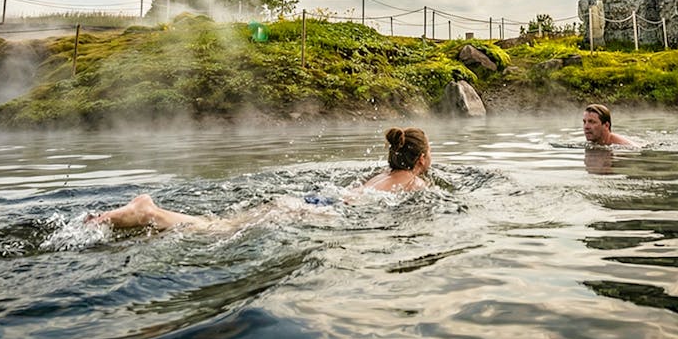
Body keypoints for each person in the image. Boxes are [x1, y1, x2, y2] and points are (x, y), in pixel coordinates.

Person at [89, 127, 432, 231]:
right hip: (319, 212)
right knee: (220, 229)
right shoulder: (414, 183)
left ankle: (149, 212)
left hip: (314, 202)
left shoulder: (380, 176)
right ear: (421, 159)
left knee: (221, 224)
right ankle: (148, 213)